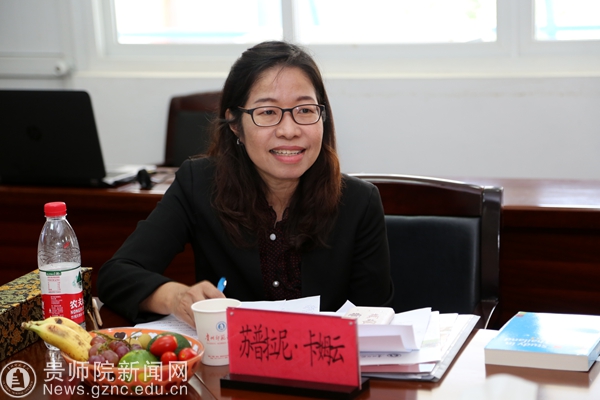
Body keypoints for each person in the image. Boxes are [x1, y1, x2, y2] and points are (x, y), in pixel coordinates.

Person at [98, 41, 393, 327]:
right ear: (235, 124)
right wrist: (175, 297)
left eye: (305, 110)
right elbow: (116, 274)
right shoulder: (199, 184)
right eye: (268, 112)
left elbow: (376, 319)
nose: (289, 130)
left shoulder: (359, 201)